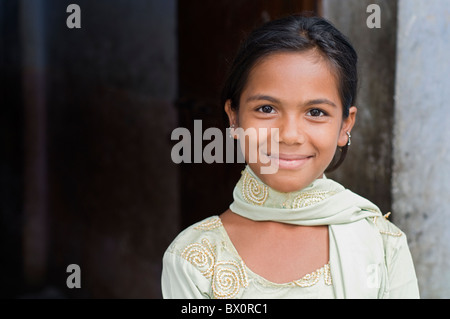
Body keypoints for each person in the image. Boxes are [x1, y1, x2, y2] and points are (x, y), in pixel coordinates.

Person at [161, 14, 419, 299]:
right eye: (267, 109)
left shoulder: (383, 246)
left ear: (345, 125)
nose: (290, 135)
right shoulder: (193, 259)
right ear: (234, 117)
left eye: (316, 112)